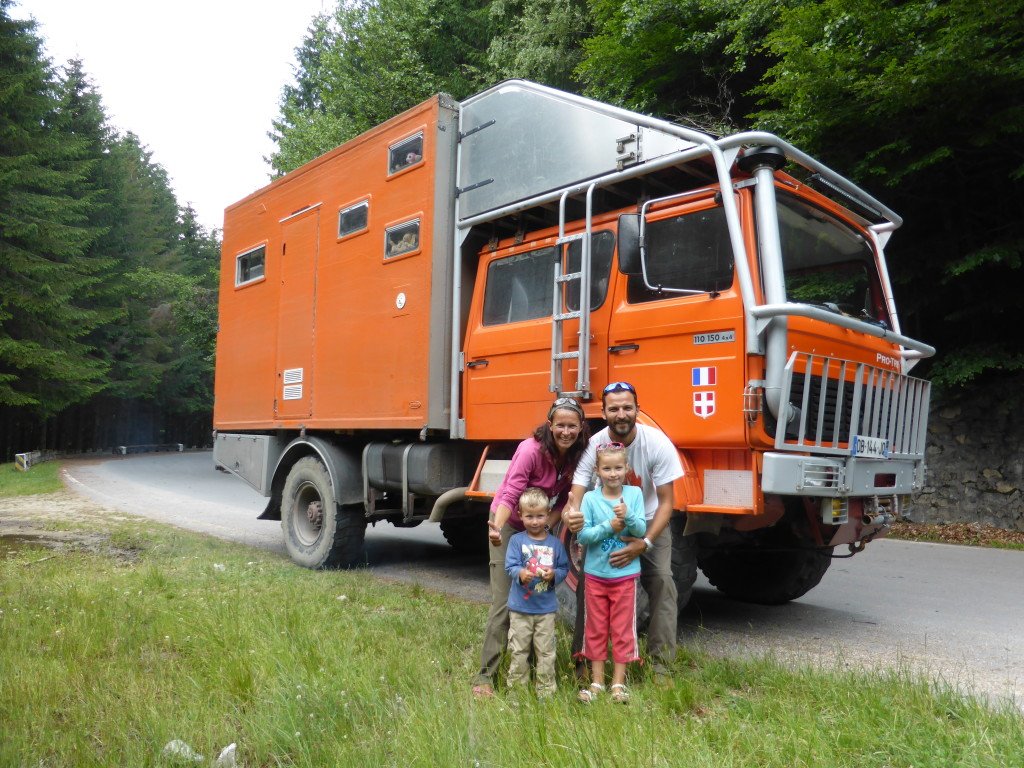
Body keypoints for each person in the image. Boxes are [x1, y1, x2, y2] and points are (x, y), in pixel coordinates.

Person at [564, 381, 684, 683]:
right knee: (586, 585)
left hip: (647, 520)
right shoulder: (596, 445)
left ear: (637, 410)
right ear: (603, 413)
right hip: (606, 526)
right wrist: (573, 513)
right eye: (614, 408)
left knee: (662, 583)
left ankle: (660, 667)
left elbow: (668, 502)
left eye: (627, 407)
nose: (621, 414)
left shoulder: (656, 443)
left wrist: (644, 541)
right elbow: (578, 487)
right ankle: (582, 663)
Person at [471, 396, 590, 699]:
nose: (566, 431)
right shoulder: (530, 450)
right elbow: (509, 495)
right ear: (550, 425)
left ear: (580, 427)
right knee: (505, 599)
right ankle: (486, 675)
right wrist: (497, 529)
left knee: (538, 590)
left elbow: (565, 500)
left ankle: (535, 665)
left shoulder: (578, 455)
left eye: (572, 426)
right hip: (509, 523)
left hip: (539, 525)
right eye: (560, 425)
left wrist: (546, 527)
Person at [576, 442, 646, 704]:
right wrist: (609, 525)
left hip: (624, 578)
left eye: (618, 468)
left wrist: (627, 517)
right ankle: (596, 682)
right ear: (597, 470)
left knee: (622, 630)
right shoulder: (591, 499)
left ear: (626, 468)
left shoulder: (634, 494)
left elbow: (640, 530)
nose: (613, 473)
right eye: (607, 468)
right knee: (595, 629)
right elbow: (583, 535)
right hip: (595, 576)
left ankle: (618, 684)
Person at [504, 487, 570, 697]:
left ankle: (546, 691)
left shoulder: (555, 544)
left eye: (540, 516)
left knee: (546, 652)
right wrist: (521, 573)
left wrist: (553, 575)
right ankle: (517, 692)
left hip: (545, 610)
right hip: (520, 609)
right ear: (520, 515)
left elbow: (563, 568)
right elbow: (510, 566)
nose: (535, 521)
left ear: (548, 514)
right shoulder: (517, 541)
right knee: (519, 651)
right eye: (529, 516)